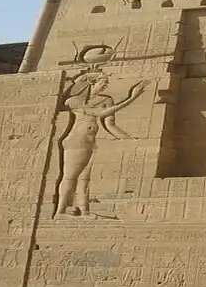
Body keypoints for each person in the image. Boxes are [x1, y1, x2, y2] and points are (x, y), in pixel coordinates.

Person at [55, 71, 147, 217]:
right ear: (92, 83)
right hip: (76, 140)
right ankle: (60, 211)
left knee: (84, 179)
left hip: (91, 142)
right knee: (70, 176)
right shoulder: (74, 100)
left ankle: (84, 212)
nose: (106, 85)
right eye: (104, 82)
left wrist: (129, 139)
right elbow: (98, 114)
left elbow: (110, 125)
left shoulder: (107, 100)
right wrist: (132, 98)